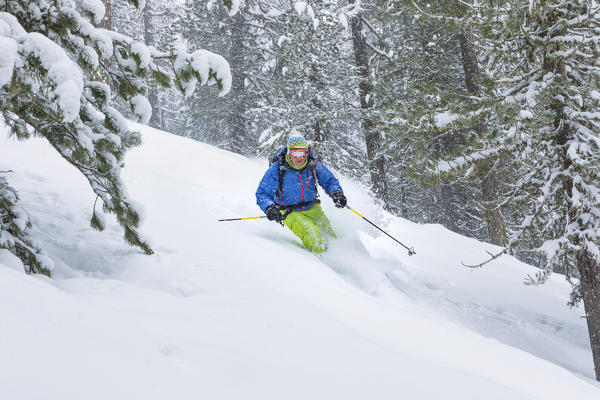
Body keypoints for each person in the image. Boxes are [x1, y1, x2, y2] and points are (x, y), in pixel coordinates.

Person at [256, 135, 347, 254]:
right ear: (289, 153)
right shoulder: (278, 169)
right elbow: (262, 193)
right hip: (289, 211)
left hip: (311, 207)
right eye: (295, 153)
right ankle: (323, 264)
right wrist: (270, 208)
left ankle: (340, 262)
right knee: (312, 233)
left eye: (303, 153)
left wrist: (337, 193)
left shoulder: (312, 166)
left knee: (329, 234)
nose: (300, 158)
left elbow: (329, 181)